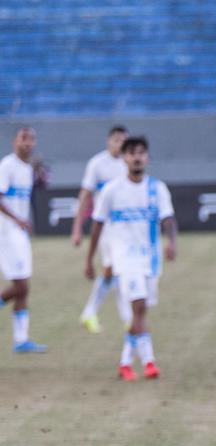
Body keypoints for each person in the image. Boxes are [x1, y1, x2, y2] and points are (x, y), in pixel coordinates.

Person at [85, 136, 177, 381]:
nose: (137, 157)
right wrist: (89, 259)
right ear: (124, 158)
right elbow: (97, 225)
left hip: (151, 260)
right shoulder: (111, 190)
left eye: (141, 153)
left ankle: (126, 363)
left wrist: (172, 242)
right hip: (124, 259)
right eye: (132, 153)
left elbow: (168, 218)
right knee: (138, 306)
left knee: (141, 310)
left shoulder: (157, 188)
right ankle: (147, 362)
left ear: (147, 158)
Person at [73, 124, 129, 333]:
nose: (120, 144)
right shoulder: (97, 164)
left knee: (116, 271)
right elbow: (85, 195)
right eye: (117, 140)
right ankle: (126, 318)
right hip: (105, 226)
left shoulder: (128, 163)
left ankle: (90, 314)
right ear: (109, 141)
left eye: (124, 140)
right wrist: (77, 227)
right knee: (114, 269)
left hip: (125, 226)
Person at [0, 126, 47, 353]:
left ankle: (21, 340)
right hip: (6, 232)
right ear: (15, 142)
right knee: (21, 285)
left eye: (31, 139)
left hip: (19, 232)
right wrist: (17, 219)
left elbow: (28, 196)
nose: (27, 143)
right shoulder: (7, 165)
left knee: (24, 286)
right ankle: (21, 339)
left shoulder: (28, 169)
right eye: (23, 138)